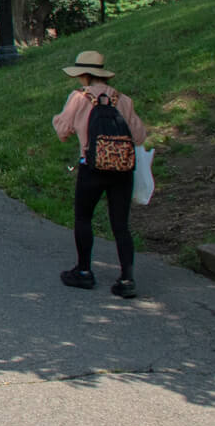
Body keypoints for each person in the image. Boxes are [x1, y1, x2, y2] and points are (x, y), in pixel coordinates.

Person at [52, 49, 152, 298]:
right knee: (121, 225)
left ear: (84, 75)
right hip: (123, 169)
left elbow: (63, 131)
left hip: (92, 167)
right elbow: (139, 135)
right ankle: (127, 279)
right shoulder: (123, 100)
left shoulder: (79, 98)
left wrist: (65, 122)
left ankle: (84, 270)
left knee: (84, 218)